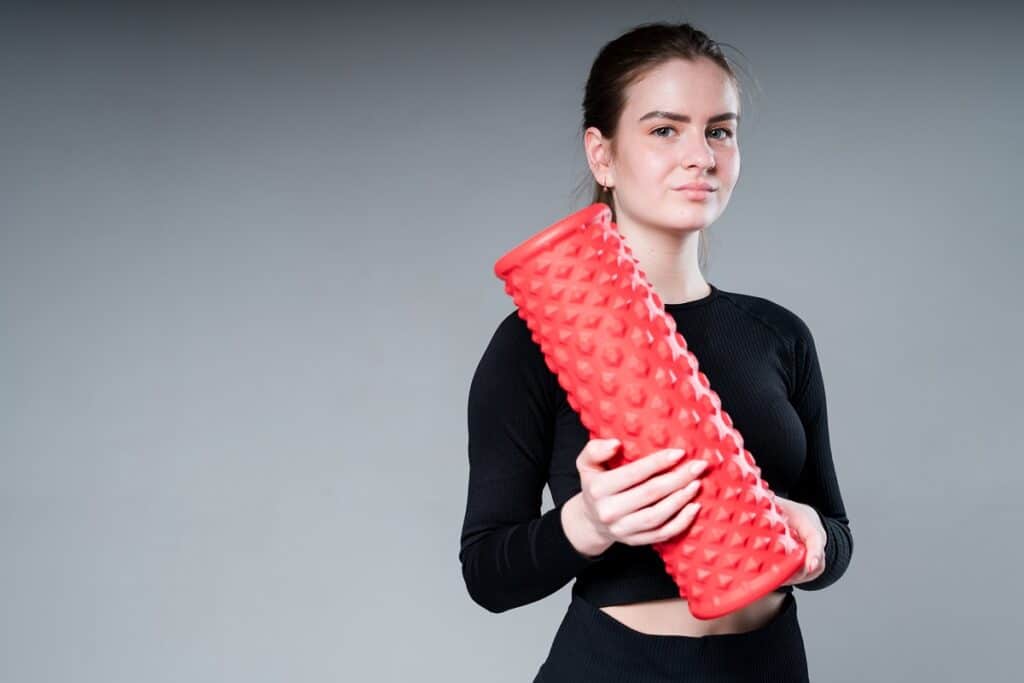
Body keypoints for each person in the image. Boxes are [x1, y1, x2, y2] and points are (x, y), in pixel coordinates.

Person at [459, 21, 853, 682]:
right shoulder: (535, 341)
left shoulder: (778, 335)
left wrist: (813, 537)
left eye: (719, 130)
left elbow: (835, 531)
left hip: (771, 663)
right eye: (664, 129)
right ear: (602, 154)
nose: (699, 155)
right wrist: (587, 522)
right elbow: (487, 573)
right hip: (618, 665)